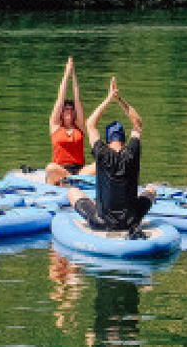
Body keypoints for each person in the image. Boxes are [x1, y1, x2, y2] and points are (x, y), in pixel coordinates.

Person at [67, 77, 156, 233]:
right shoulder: (132, 151)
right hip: (131, 221)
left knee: (72, 192)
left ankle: (96, 210)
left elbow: (90, 124)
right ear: (124, 141)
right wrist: (119, 99)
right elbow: (137, 123)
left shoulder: (102, 152)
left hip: (103, 222)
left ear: (108, 142)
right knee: (151, 189)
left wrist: (109, 98)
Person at [45, 56, 96, 186]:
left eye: (71, 109)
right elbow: (60, 98)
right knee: (50, 167)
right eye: (66, 109)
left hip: (79, 171)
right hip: (61, 170)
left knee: (99, 165)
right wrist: (66, 73)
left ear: (74, 113)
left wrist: (73, 76)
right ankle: (68, 181)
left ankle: (71, 182)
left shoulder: (79, 126)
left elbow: (77, 98)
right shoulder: (55, 126)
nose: (69, 111)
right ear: (61, 113)